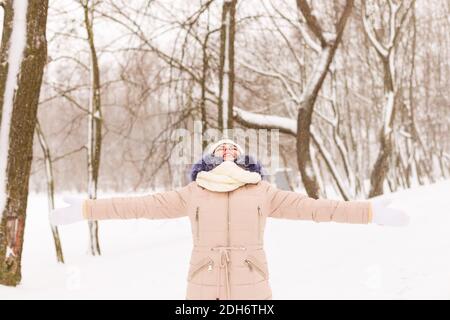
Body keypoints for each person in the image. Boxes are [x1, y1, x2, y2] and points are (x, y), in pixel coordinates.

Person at [50, 138, 409, 300]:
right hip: (201, 288)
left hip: (252, 286)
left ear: (244, 159)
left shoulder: (262, 191)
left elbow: (316, 208)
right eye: (219, 149)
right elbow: (138, 206)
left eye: (232, 149)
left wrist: (368, 211)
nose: (226, 151)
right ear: (207, 159)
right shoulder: (193, 193)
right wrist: (86, 209)